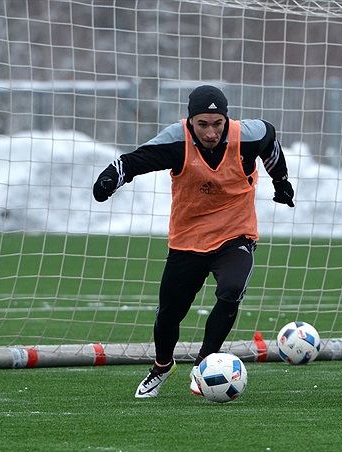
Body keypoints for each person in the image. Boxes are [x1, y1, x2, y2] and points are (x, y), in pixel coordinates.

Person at [93, 85, 295, 398]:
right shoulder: (177, 141)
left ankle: (205, 364)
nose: (211, 132)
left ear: (226, 120)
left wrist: (281, 182)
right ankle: (162, 366)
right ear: (190, 122)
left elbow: (271, 142)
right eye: (203, 124)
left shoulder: (249, 135)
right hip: (188, 238)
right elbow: (133, 162)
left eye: (218, 124)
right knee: (169, 314)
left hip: (235, 233)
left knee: (231, 290)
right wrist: (111, 176)